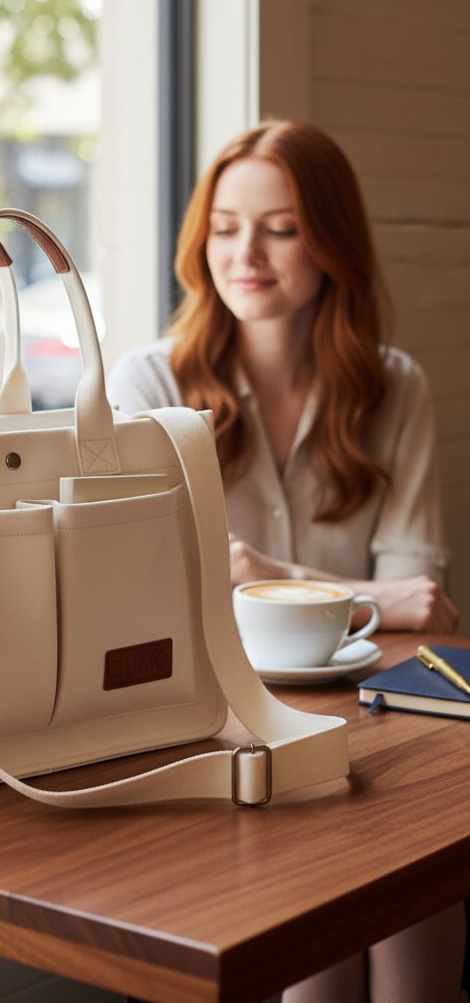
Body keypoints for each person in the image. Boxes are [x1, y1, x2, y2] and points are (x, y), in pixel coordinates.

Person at [108, 119, 463, 1003]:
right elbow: (154, 609)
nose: (247, 253)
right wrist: (369, 595)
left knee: (419, 917)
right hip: (217, 731)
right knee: (323, 954)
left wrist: (266, 570)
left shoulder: (395, 386)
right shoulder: (146, 387)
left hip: (382, 729)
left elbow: (427, 609)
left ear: (331, 240)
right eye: (226, 227)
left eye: (281, 226)